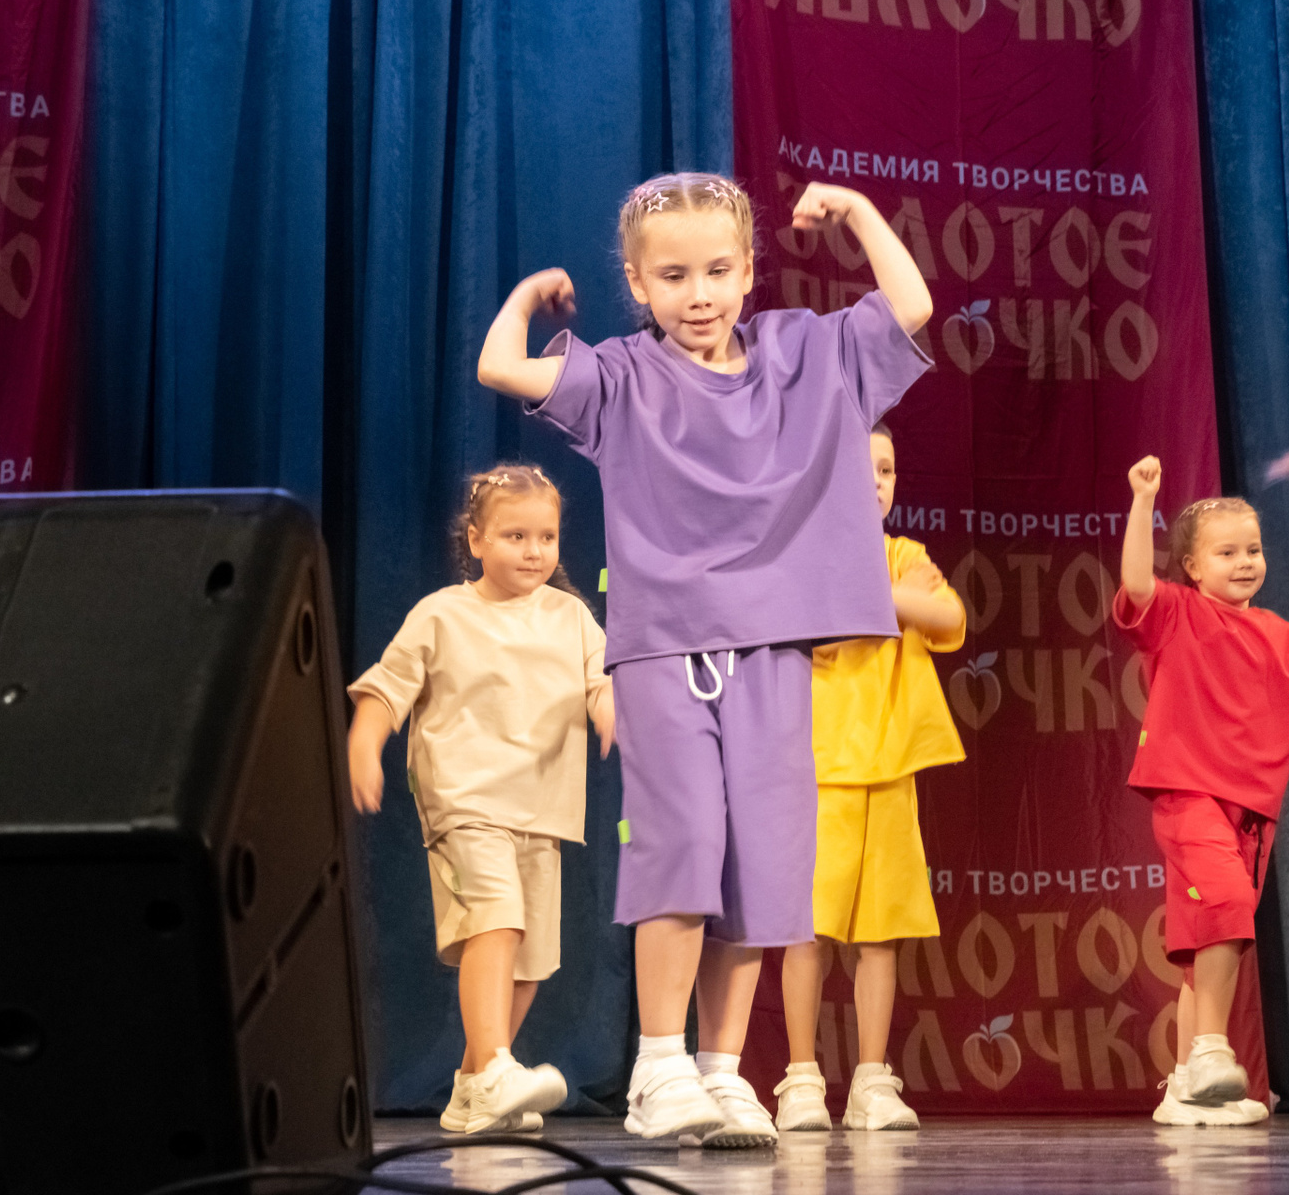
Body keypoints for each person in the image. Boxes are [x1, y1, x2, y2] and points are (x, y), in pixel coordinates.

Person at [475, 173, 935, 1146]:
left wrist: (858, 214)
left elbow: (910, 308)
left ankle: (723, 1072)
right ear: (639, 283)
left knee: (759, 865)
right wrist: (525, 300)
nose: (699, 294)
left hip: (772, 649)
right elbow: (502, 368)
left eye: (719, 271)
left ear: (750, 270)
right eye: (674, 276)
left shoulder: (800, 356)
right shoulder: (623, 377)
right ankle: (659, 1064)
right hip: (669, 648)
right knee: (683, 845)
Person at [1116, 457, 1289, 1126]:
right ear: (1191, 567)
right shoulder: (1177, 613)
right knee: (1228, 906)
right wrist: (1143, 500)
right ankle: (1211, 1051)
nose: (1245, 562)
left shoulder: (1281, 637)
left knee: (1211, 943)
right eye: (1227, 552)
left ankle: (1186, 1087)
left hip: (1252, 817)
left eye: (1253, 550)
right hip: (1188, 796)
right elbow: (1135, 584)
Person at [347, 464, 614, 1135]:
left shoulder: (571, 616)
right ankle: (496, 1067)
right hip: (463, 802)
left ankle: (473, 1085)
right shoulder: (442, 613)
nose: (533, 551)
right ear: (475, 540)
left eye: (546, 537)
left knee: (529, 961)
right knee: (495, 922)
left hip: (543, 813)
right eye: (515, 535)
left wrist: (612, 713)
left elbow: (601, 683)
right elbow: (385, 690)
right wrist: (364, 745)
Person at [774, 422, 966, 1133]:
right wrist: (889, 600)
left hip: (889, 770)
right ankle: (801, 1078)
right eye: (861, 469)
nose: (876, 482)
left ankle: (871, 1080)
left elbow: (947, 614)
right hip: (817, 767)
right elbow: (816, 627)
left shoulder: (905, 553)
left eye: (885, 470)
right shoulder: (801, 556)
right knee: (808, 931)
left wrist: (879, 599)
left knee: (880, 935)